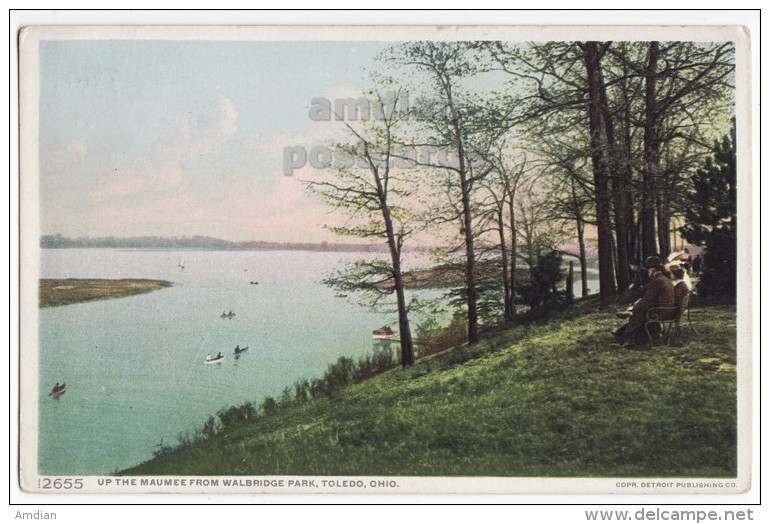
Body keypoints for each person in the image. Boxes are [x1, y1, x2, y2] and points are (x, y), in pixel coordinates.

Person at [613, 258, 675, 347]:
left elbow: (647, 299)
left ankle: (628, 340)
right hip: (667, 310)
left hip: (662, 311)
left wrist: (634, 308)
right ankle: (622, 334)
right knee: (640, 311)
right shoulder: (664, 279)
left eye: (648, 270)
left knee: (638, 313)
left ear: (653, 270)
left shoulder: (658, 281)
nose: (647, 272)